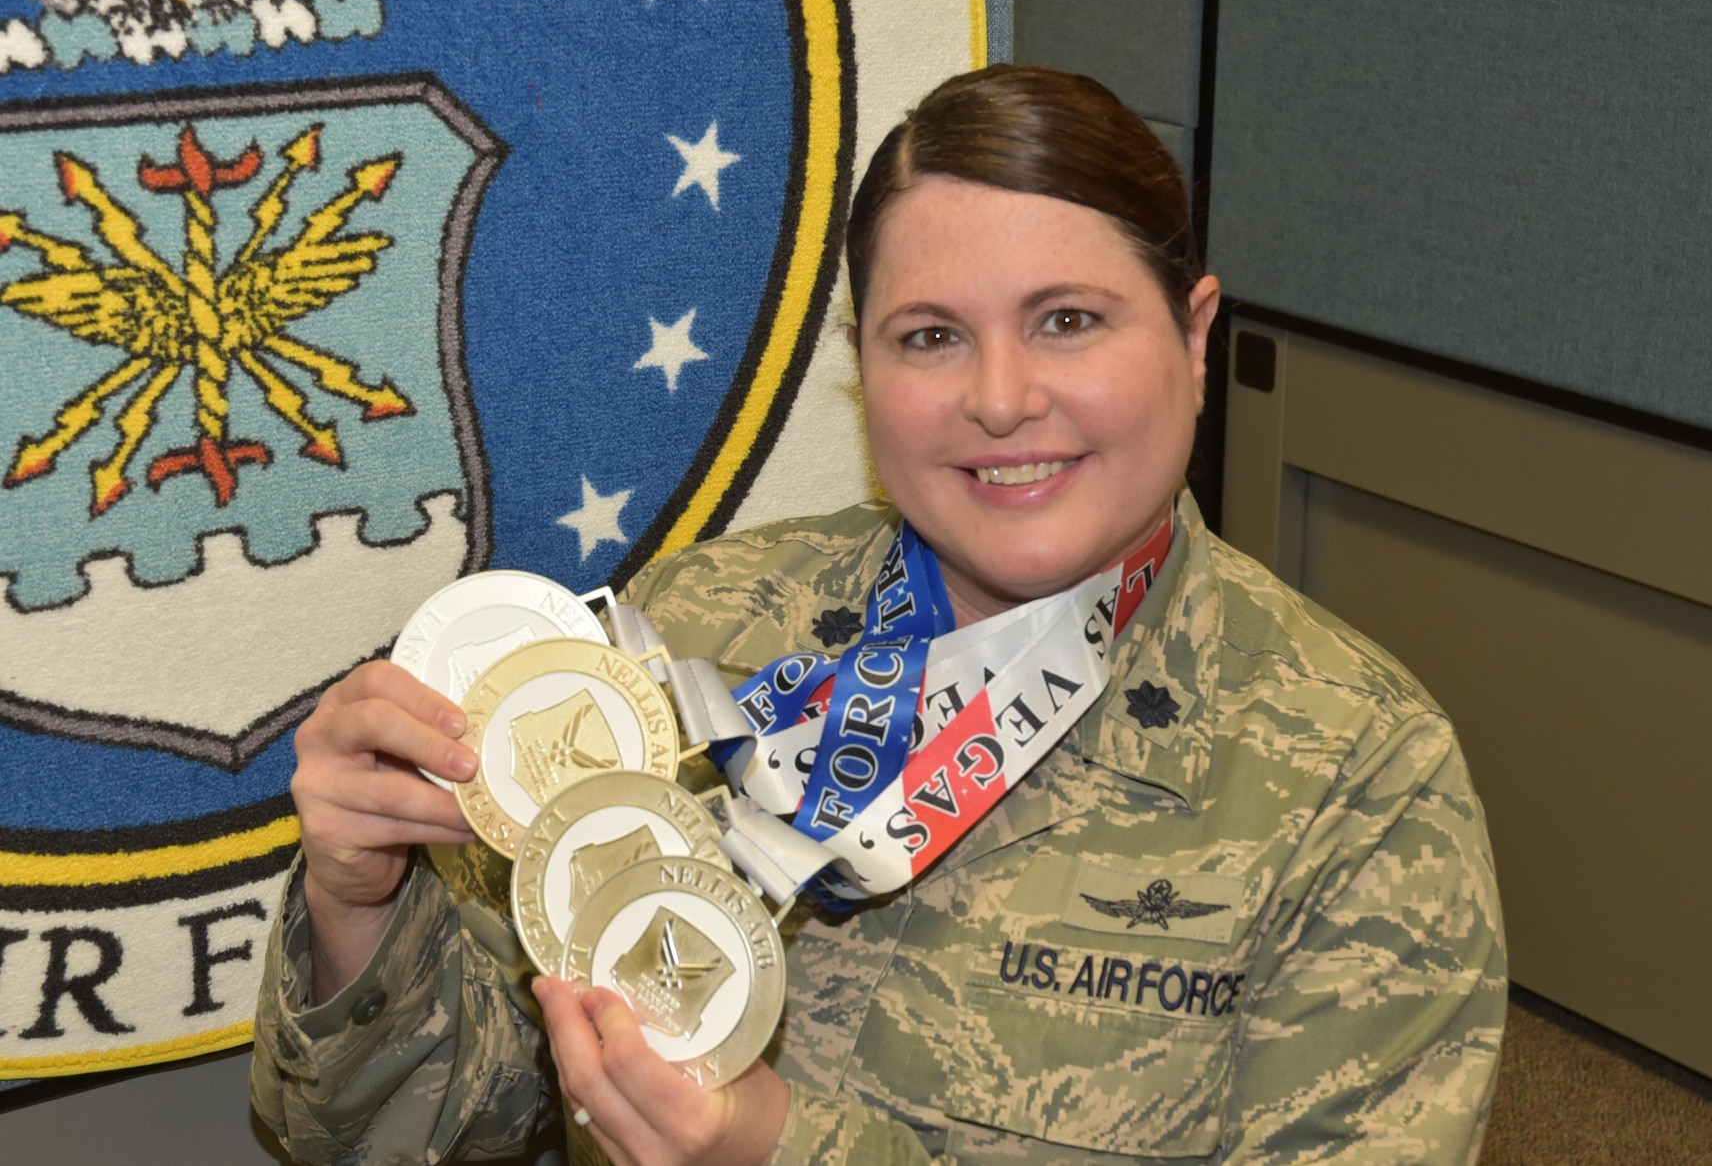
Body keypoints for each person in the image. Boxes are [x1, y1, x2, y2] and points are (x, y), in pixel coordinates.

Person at [251, 65, 1507, 1165]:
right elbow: (422, 1130)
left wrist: (776, 1150)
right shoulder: (691, 643)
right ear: (867, 371)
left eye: (1067, 320)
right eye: (930, 336)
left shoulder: (1353, 774)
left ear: (1191, 337)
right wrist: (361, 906)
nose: (1001, 399)